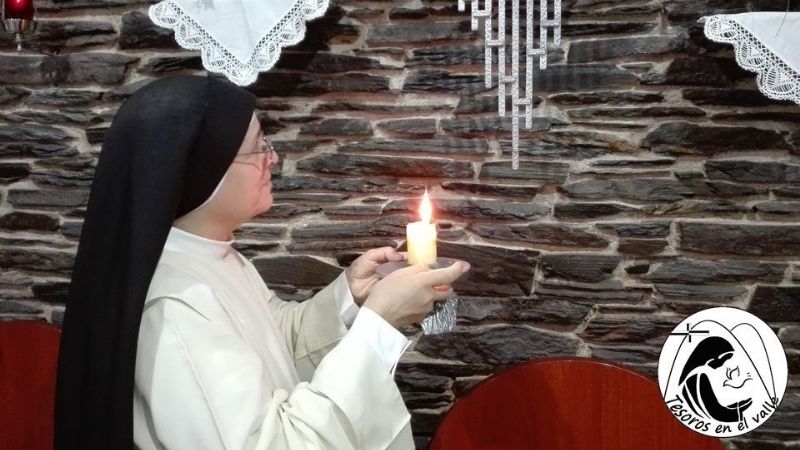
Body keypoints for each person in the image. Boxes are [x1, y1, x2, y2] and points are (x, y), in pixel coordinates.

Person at [54, 75, 470, 450]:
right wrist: (378, 324)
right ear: (205, 171)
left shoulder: (212, 254)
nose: (273, 157)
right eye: (258, 147)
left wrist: (352, 296)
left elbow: (276, 345)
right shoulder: (174, 309)